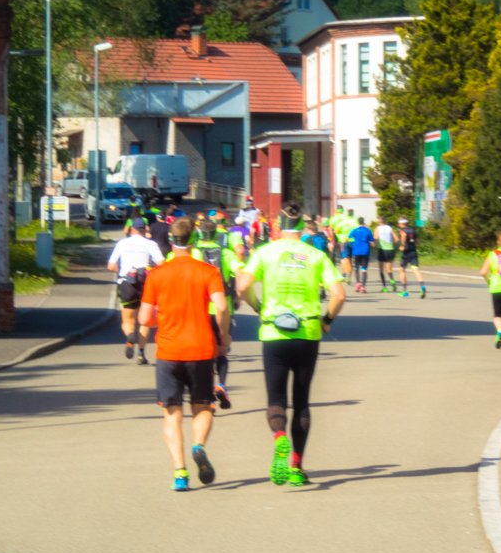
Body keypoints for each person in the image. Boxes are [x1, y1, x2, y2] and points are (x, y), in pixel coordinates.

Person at [238, 202, 346, 487]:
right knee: (301, 402)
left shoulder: (265, 252)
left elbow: (242, 286)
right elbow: (339, 294)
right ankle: (297, 467)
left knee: (276, 400)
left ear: (278, 225)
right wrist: (327, 320)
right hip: (307, 332)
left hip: (274, 332)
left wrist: (257, 306)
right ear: (302, 227)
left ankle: (279, 437)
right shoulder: (316, 255)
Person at [138, 217, 231, 491]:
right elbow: (222, 307)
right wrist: (223, 336)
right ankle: (198, 445)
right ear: (194, 240)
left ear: (171, 240)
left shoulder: (157, 275)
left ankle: (180, 474)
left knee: (172, 414)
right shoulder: (208, 272)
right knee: (203, 406)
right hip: (200, 349)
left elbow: (144, 317)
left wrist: (161, 317)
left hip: (168, 352)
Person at [194, 220, 242, 409]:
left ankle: (209, 398)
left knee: (205, 354)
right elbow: (239, 272)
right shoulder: (226, 253)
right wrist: (238, 296)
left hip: (201, 308)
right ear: (216, 234)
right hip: (223, 307)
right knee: (222, 350)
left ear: (200, 233)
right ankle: (221, 384)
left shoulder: (195, 253)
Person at [107, 217, 165, 364]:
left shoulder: (122, 243)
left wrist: (121, 271)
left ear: (132, 229)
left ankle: (130, 335)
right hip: (145, 284)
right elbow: (162, 263)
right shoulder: (150, 244)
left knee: (128, 320)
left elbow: (111, 266)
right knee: (144, 321)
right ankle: (141, 354)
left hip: (127, 283)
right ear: (144, 230)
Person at [397, 217, 426, 298]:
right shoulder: (413, 230)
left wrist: (402, 245)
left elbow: (403, 236)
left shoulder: (402, 230)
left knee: (402, 270)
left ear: (401, 223)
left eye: (399, 223)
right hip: (413, 252)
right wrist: (412, 244)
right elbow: (417, 241)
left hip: (406, 253)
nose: (398, 224)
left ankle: (405, 291)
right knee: (416, 270)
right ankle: (422, 286)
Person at [348, 217, 375, 293]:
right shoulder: (368, 230)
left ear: (358, 222)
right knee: (364, 269)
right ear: (364, 222)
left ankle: (357, 283)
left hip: (356, 251)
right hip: (365, 251)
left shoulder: (355, 230)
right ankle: (363, 286)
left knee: (356, 268)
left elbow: (348, 237)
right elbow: (372, 243)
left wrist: (352, 243)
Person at [374, 216, 398, 292]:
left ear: (379, 221)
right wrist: (391, 244)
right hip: (390, 249)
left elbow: (375, 238)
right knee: (389, 269)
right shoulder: (390, 228)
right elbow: (396, 239)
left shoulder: (377, 228)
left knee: (381, 269)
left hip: (381, 250)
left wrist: (373, 245)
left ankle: (385, 287)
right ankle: (392, 282)